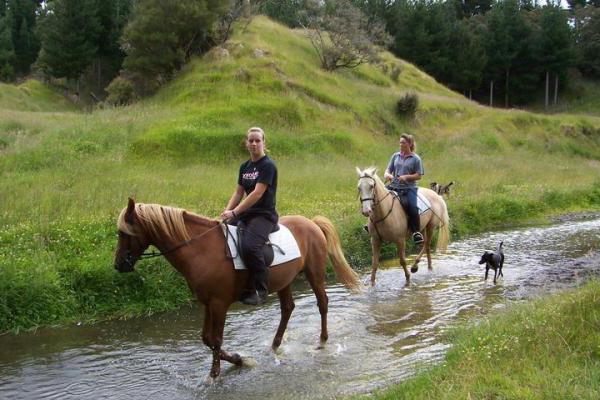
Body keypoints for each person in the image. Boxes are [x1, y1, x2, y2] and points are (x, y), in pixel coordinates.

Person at [220, 127, 278, 305]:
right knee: (220, 233)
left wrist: (235, 212)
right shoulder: (244, 167)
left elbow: (256, 194)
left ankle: (260, 290)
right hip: (246, 213)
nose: (254, 143)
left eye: (257, 140)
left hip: (264, 215)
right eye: (250, 140)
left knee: (250, 246)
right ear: (246, 143)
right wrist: (225, 213)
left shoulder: (268, 165)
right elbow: (238, 193)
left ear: (263, 143)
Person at [384, 133, 424, 245]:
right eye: (400, 142)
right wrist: (388, 175)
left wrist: (406, 177)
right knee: (377, 198)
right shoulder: (395, 156)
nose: (400, 144)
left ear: (409, 144)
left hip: (408, 188)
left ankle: (416, 232)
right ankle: (371, 224)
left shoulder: (416, 159)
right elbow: (387, 170)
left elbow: (419, 175)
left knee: (413, 207)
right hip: (394, 185)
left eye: (403, 142)